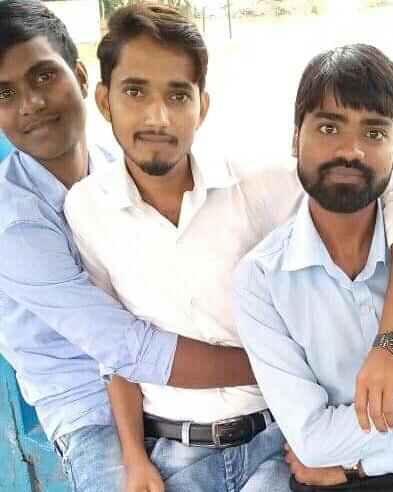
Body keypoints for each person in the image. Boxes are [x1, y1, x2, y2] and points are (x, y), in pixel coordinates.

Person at [64, 6, 393, 491]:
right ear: (104, 99)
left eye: (178, 95)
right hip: (174, 451)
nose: (158, 117)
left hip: (278, 442)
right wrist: (135, 458)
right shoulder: (88, 208)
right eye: (135, 91)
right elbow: (113, 348)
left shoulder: (254, 183)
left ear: (202, 106)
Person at [0, 2, 263, 490]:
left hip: (168, 389)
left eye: (44, 76)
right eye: (5, 93)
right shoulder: (14, 225)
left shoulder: (122, 167)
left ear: (81, 79)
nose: (30, 103)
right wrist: (272, 363)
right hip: (89, 406)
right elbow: (128, 349)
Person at [232, 44, 393, 491]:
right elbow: (312, 441)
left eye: (373, 133)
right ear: (295, 138)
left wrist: (362, 467)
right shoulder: (261, 281)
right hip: (336, 478)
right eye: (329, 127)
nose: (350, 151)